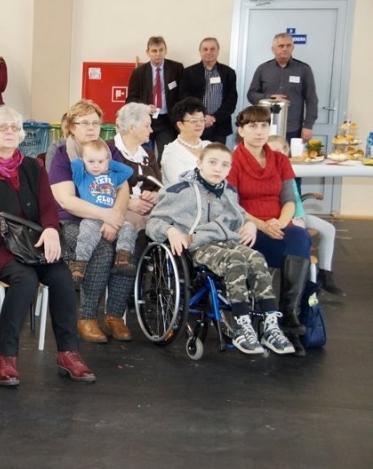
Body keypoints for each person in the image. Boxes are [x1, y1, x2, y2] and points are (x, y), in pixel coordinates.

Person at [0, 106, 96, 386]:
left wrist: (50, 229)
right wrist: (17, 234)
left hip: (33, 244)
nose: (10, 132)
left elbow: (48, 207)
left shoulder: (33, 167)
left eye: (15, 127)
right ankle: (5, 356)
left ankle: (68, 352)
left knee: (62, 277)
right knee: (24, 279)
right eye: (3, 127)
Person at [146, 143, 295, 355]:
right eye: (213, 163)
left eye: (225, 165)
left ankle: (270, 326)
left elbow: (240, 218)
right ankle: (241, 325)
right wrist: (170, 231)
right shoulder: (179, 191)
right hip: (198, 245)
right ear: (200, 163)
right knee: (235, 259)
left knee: (256, 258)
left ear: (229, 169)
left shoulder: (228, 192)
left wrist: (250, 225)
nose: (218, 169)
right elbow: (154, 222)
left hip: (227, 243)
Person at [46, 99, 134, 344]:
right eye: (84, 123)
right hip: (70, 222)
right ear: (71, 126)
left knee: (126, 249)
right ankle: (86, 317)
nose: (91, 127)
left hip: (108, 218)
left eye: (95, 122)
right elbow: (66, 200)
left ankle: (114, 315)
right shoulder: (63, 155)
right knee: (103, 250)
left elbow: (123, 188)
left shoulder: (110, 151)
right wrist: (105, 216)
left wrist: (115, 219)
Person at [227, 105, 312, 355]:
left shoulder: (280, 159)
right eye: (252, 126)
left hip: (278, 224)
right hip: (248, 227)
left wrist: (281, 222)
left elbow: (289, 199)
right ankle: (284, 323)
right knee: (292, 245)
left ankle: (288, 316)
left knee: (300, 237)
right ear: (241, 130)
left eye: (264, 125)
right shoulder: (232, 161)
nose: (259, 131)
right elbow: (232, 205)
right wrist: (262, 224)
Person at [267, 135, 345, 297]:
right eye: (270, 151)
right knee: (300, 238)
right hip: (285, 217)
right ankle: (305, 281)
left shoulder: (287, 168)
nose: (275, 155)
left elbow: (295, 199)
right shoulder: (268, 172)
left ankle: (325, 273)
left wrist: (300, 216)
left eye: (278, 151)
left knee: (328, 229)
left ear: (286, 152)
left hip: (299, 213)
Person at [68, 139, 136, 282]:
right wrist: (84, 161)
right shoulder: (82, 177)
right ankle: (79, 264)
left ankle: (122, 259)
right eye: (91, 161)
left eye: (100, 161)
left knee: (129, 228)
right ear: (84, 161)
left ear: (107, 161)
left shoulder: (113, 176)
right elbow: (75, 164)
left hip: (111, 219)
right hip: (92, 218)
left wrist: (108, 163)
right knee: (86, 235)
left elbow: (129, 171)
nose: (95, 165)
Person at [247, 33, 318, 142]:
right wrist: (270, 98)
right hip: (266, 126)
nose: (285, 49)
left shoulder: (303, 69)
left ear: (293, 48)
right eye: (281, 46)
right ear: (273, 49)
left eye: (288, 45)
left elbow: (311, 99)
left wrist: (308, 126)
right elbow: (251, 95)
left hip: (293, 128)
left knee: (291, 153)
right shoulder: (263, 69)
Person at [106, 102, 163, 234]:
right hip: (118, 208)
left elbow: (159, 185)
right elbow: (99, 186)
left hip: (149, 210)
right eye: (147, 126)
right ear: (132, 128)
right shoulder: (107, 150)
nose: (151, 130)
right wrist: (128, 203)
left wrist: (154, 196)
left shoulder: (148, 154)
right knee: (141, 223)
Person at [126, 36, 184, 161]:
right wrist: (145, 107)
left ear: (166, 50)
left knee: (166, 155)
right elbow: (131, 99)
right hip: (145, 119)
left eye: (161, 50)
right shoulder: (139, 72)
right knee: (145, 155)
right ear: (148, 52)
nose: (158, 54)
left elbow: (182, 95)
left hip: (167, 120)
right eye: (154, 51)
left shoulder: (177, 69)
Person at [179, 37, 238, 145]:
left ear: (218, 51)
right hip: (195, 124)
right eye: (205, 49)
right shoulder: (189, 72)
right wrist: (202, 117)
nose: (208, 52)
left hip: (219, 125)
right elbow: (185, 98)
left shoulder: (228, 73)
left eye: (212, 49)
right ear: (200, 51)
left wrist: (214, 118)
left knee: (217, 154)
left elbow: (232, 100)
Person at [161, 97, 210, 186]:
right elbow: (180, 186)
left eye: (202, 120)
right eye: (193, 121)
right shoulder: (171, 152)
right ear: (180, 124)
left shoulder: (209, 146)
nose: (199, 124)